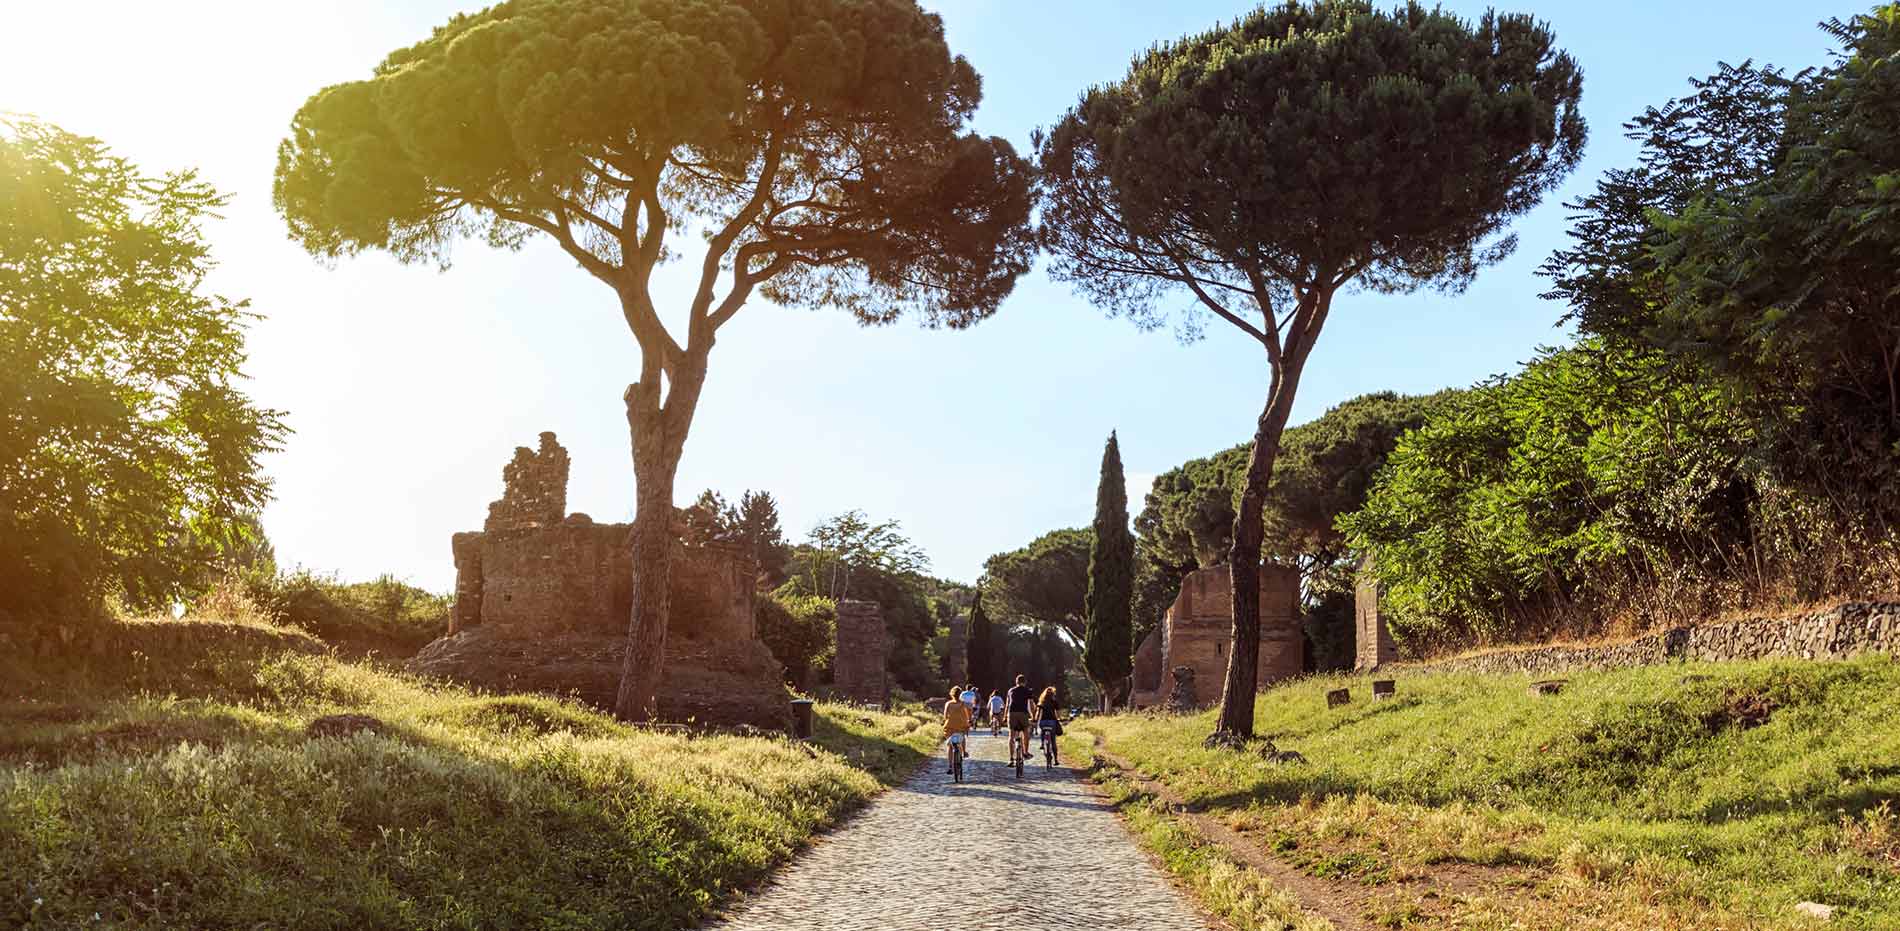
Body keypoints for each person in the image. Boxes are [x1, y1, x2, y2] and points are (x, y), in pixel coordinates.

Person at [942, 686, 972, 775]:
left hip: (950, 726)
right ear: (960, 695)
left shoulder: (948, 704)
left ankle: (950, 766)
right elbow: (969, 711)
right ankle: (964, 752)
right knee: (962, 736)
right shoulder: (964, 704)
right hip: (961, 725)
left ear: (951, 694)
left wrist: (946, 720)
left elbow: (945, 715)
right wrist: (969, 720)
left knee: (950, 746)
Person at [1005, 674, 1034, 762]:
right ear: (1025, 682)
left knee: (1011, 735)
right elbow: (1031, 705)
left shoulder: (1010, 690)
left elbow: (1007, 704)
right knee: (1026, 731)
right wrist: (1033, 716)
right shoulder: (1028, 690)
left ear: (1016, 682)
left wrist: (1004, 716)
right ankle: (1025, 753)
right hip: (1023, 713)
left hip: (1012, 713)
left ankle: (1011, 758)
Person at [1034, 686, 1064, 764]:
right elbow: (1058, 713)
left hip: (1043, 722)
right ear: (1053, 694)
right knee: (1053, 741)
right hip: (1052, 722)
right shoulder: (1054, 702)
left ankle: (1042, 743)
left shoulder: (1041, 702)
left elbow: (1038, 713)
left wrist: (1035, 719)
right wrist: (1059, 718)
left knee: (1042, 733)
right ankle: (1056, 760)